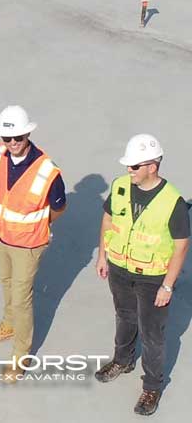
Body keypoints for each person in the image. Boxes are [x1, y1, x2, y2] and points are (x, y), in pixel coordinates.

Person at [94, 134, 189, 416]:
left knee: (152, 334)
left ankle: (152, 386)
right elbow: (108, 219)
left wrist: (168, 286)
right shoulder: (121, 186)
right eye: (128, 165)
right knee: (124, 316)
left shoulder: (173, 202)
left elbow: (182, 245)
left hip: (152, 278)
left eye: (135, 166)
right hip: (120, 269)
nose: (129, 170)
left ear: (152, 166)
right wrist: (103, 255)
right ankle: (122, 360)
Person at [0, 106, 66, 384]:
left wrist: (41, 225)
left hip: (28, 244)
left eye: (18, 137)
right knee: (6, 282)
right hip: (1, 235)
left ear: (28, 133)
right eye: (8, 138)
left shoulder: (46, 170)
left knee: (21, 297)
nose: (13, 143)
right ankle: (8, 325)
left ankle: (21, 354)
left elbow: (59, 207)